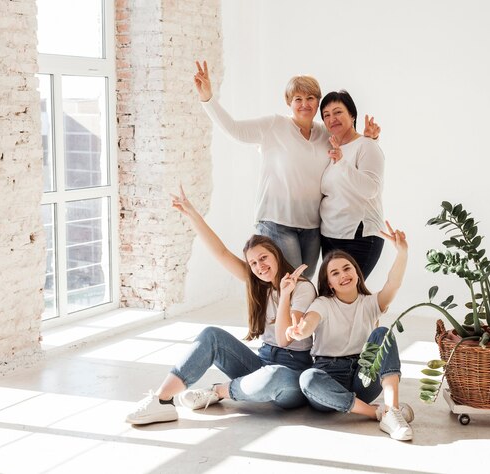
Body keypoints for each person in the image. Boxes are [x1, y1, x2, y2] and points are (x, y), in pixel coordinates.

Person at [125, 185, 316, 425]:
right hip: (262, 362)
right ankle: (162, 400)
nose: (259, 267)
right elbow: (221, 252)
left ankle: (218, 391)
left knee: (274, 376)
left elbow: (284, 339)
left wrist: (286, 295)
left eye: (264, 258)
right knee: (211, 335)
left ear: (276, 254)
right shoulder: (259, 284)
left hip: (291, 375)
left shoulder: (302, 288)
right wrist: (192, 213)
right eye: (253, 263)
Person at [193, 61, 380, 279]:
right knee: (290, 286)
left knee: (303, 287)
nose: (304, 104)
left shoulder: (325, 135)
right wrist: (208, 99)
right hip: (276, 222)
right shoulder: (274, 125)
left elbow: (350, 152)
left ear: (318, 102)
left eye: (310, 98)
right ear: (289, 102)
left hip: (312, 228)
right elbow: (234, 130)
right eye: (297, 99)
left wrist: (371, 139)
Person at [285, 222, 414, 441]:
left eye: (347, 268)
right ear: (330, 283)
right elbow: (308, 324)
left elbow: (393, 283)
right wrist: (298, 331)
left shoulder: (370, 303)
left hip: (363, 374)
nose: (343, 275)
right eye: (335, 273)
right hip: (328, 375)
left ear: (356, 272)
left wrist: (402, 252)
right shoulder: (322, 303)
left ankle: (392, 411)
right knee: (308, 379)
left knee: (382, 332)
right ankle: (376, 412)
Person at [319, 90, 386, 279]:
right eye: (326, 115)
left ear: (352, 115)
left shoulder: (367, 145)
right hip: (330, 235)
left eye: (338, 112)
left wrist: (341, 162)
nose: (332, 119)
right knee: (332, 298)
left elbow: (370, 189)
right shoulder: (332, 148)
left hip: (359, 234)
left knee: (350, 295)